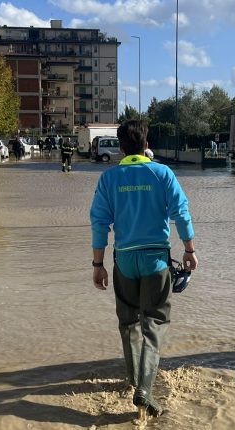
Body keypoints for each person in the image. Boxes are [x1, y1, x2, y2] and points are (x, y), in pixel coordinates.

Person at [90, 120, 197, 422]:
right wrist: (189, 250)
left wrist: (97, 265)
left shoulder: (109, 179)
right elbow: (181, 213)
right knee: (155, 323)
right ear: (146, 143)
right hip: (155, 262)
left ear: (121, 147)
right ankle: (144, 391)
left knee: (128, 323)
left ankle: (134, 379)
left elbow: (99, 223)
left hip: (124, 260)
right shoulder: (162, 173)